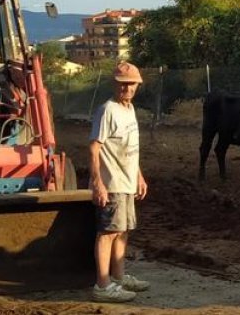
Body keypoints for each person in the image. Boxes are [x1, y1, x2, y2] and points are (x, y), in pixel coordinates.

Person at [89, 61, 150, 303]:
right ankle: (102, 285)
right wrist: (98, 182)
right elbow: (94, 148)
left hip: (127, 181)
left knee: (122, 231)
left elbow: (131, 148)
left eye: (131, 84)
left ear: (138, 85)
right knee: (107, 232)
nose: (127, 88)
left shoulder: (129, 110)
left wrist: (138, 175)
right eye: (122, 84)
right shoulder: (108, 110)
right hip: (111, 182)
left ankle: (119, 277)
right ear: (115, 84)